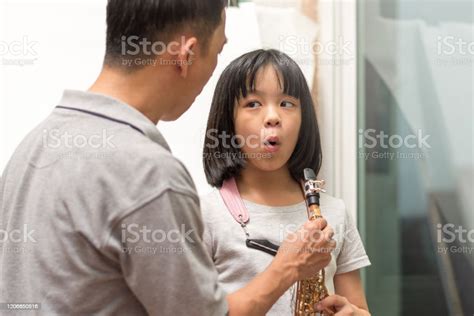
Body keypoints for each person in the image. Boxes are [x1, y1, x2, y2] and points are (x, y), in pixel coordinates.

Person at [0, 2, 335, 315]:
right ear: (187, 56)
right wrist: (288, 267)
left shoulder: (35, 145)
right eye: (218, 51)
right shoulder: (148, 173)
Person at [201, 49, 372, 315]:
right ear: (228, 123)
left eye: (287, 103)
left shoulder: (334, 212)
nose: (273, 116)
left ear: (304, 121)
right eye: (253, 103)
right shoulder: (203, 214)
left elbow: (360, 307)